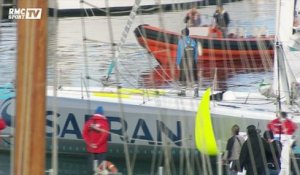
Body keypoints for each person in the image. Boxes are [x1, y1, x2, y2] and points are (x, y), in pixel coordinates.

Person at [82, 107, 110, 174]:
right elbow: (104, 135)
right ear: (102, 113)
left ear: (95, 113)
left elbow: (84, 133)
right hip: (101, 150)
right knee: (100, 169)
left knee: (91, 169)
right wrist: (97, 144)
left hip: (91, 149)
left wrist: (90, 143)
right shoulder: (104, 122)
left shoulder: (89, 122)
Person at [176, 28, 199, 96]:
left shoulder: (181, 41)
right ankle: (196, 91)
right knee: (194, 77)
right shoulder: (193, 41)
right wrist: (195, 62)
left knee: (183, 76)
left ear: (182, 34)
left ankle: (183, 92)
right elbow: (195, 54)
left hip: (184, 62)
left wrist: (177, 63)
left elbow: (179, 53)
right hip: (192, 62)